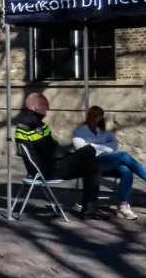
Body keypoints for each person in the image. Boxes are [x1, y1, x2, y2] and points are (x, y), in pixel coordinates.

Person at [72, 106, 146, 220]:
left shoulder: (106, 133)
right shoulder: (79, 131)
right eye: (93, 115)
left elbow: (112, 148)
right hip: (91, 163)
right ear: (88, 116)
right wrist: (101, 148)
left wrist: (94, 146)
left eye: (98, 116)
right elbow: (82, 149)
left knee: (126, 169)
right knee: (124, 156)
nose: (95, 118)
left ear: (101, 118)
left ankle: (123, 206)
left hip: (107, 161)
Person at [15, 92, 108, 220]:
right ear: (37, 107)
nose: (47, 109)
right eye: (45, 106)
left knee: (92, 166)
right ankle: (89, 210)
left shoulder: (25, 122)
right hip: (49, 169)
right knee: (89, 151)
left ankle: (90, 210)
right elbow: (50, 150)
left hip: (40, 168)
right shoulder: (34, 125)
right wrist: (71, 155)